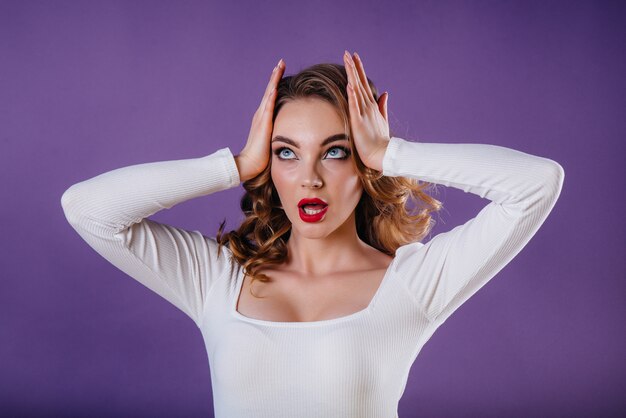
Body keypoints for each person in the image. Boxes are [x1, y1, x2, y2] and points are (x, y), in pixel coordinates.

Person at [61, 50, 565, 418]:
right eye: (286, 152)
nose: (310, 177)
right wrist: (235, 164)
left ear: (361, 165)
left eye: (334, 151)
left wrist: (392, 154)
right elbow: (87, 209)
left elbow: (537, 184)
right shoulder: (216, 276)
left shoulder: (412, 282)